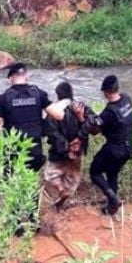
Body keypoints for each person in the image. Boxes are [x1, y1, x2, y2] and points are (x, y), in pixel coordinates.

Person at [0, 62, 65, 172]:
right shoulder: (39, 94)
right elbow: (59, 115)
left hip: (13, 151)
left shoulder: (4, 98)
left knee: (11, 182)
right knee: (30, 181)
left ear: (10, 79)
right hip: (35, 150)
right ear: (27, 76)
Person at [87, 75, 132, 216]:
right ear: (117, 88)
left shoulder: (109, 112)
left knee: (94, 171)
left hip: (115, 149)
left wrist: (81, 117)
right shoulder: (127, 99)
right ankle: (111, 207)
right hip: (128, 148)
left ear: (106, 92)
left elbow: (94, 131)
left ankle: (113, 199)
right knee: (112, 173)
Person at [43, 82, 94, 211]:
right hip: (77, 152)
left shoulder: (53, 110)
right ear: (72, 93)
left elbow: (52, 133)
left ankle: (60, 191)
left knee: (50, 175)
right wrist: (78, 141)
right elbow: (92, 123)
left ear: (57, 95)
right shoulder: (81, 106)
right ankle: (63, 200)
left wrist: (66, 149)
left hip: (58, 152)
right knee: (73, 179)